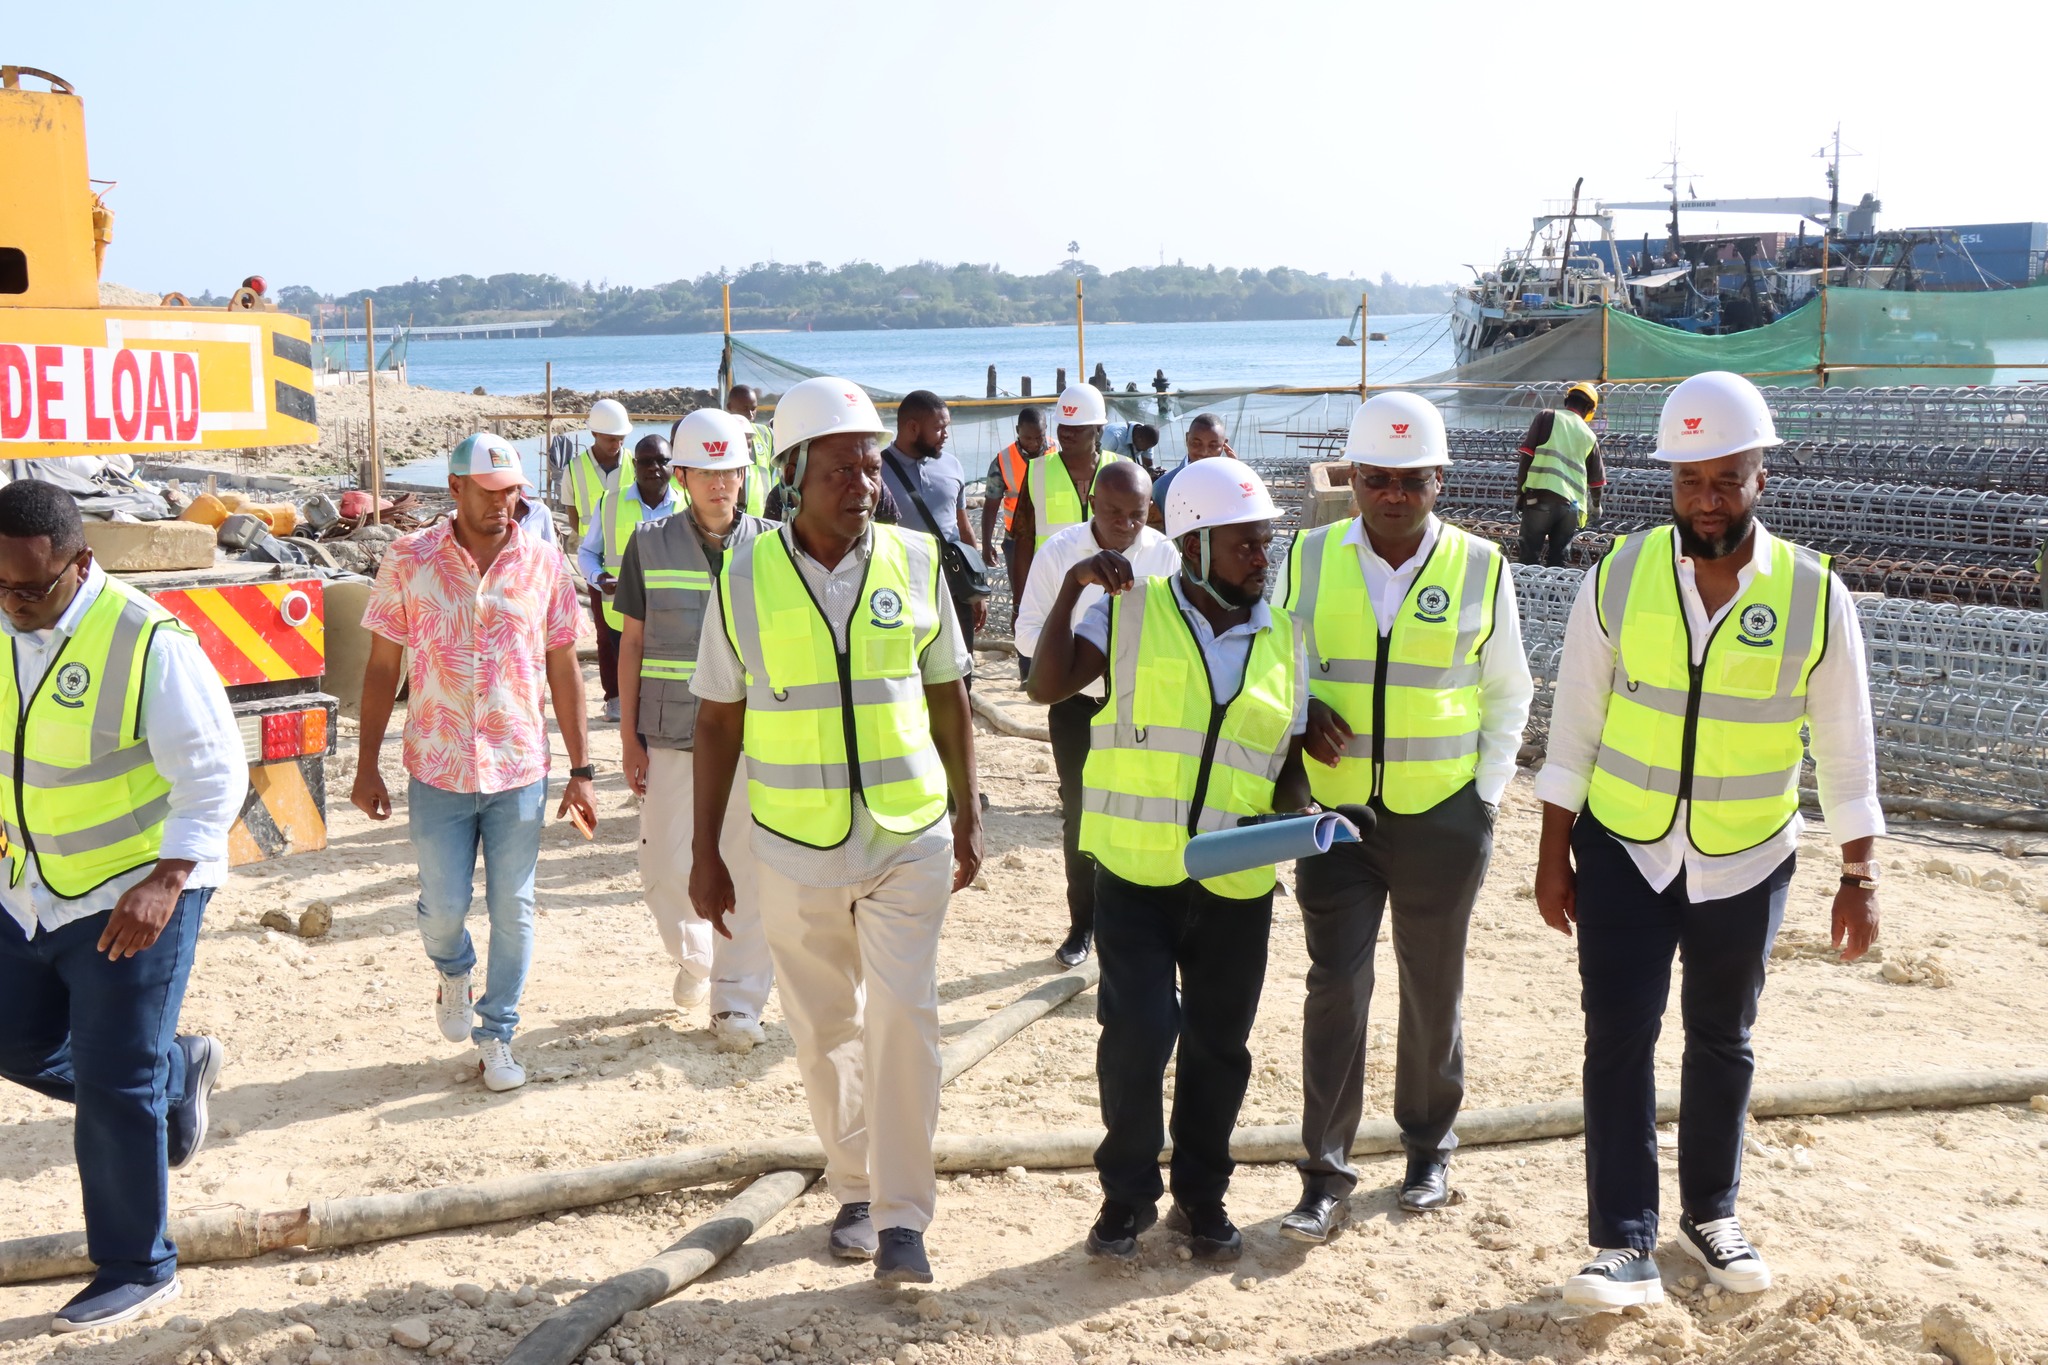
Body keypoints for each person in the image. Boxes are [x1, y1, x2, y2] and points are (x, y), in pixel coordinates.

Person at [1534, 372, 1882, 1309]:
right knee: (1617, 1036)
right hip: (1625, 847)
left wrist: (1859, 872)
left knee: (1724, 1039)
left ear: (1760, 475)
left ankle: (1711, 1214)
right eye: (1691, 480)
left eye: (1728, 478)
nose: (1709, 499)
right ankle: (1622, 1240)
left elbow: (1846, 746)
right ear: (1672, 481)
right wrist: (1553, 851)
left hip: (1749, 853)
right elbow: (1575, 725)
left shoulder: (1814, 594)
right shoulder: (1619, 575)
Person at [689, 376, 983, 1287]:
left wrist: (969, 812)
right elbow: (718, 720)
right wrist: (705, 852)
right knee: (824, 1031)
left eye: (869, 466)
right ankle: (854, 1185)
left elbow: (949, 693)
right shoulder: (744, 577)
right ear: (791, 475)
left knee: (905, 1020)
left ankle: (901, 1217)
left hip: (907, 837)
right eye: (841, 469)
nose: (863, 484)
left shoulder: (915, 561)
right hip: (792, 845)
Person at [1027, 457, 1309, 1266]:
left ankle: (1202, 1196)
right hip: (1135, 874)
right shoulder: (1127, 613)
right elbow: (1046, 685)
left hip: (1236, 881)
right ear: (1193, 545)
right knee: (1138, 1034)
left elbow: (1283, 763)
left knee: (1221, 1045)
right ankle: (1125, 1197)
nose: (1261, 556)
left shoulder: (1286, 637)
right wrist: (1073, 586)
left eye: (1265, 541)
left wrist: (1301, 814)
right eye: (1245, 543)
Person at [1276, 393, 1534, 1245]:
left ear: (1439, 480)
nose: (1394, 494)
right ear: (1353, 479)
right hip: (1337, 822)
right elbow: (1279, 666)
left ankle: (1428, 1149)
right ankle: (1325, 1173)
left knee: (1433, 987)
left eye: (1412, 480)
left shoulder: (1481, 566)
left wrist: (1484, 797)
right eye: (1378, 479)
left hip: (1442, 818)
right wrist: (1302, 713)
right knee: (1335, 988)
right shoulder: (1309, 557)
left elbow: (1509, 690)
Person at [0, 481, 243, 1333]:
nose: (15, 604)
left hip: (132, 895)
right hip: (31, 888)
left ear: (82, 563)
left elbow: (215, 776)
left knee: (111, 1079)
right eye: (0, 587)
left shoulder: (148, 641)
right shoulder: (4, 624)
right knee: (16, 1039)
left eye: (31, 588)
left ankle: (139, 1266)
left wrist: (165, 881)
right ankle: (170, 1073)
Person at [354, 433, 598, 1094]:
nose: (503, 504)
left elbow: (564, 667)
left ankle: (497, 1034)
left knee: (514, 908)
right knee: (443, 908)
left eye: (513, 492)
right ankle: (453, 970)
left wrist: (582, 771)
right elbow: (382, 668)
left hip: (519, 767)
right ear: (455, 488)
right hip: (437, 768)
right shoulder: (409, 559)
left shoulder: (544, 561)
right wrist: (366, 764)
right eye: (490, 492)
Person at [617, 411, 777, 1050]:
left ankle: (737, 1003)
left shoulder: (773, 545)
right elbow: (631, 644)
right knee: (661, 864)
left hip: (750, 734)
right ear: (681, 476)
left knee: (747, 865)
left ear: (744, 474)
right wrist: (628, 738)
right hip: (671, 731)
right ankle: (694, 954)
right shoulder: (648, 543)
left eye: (729, 471)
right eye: (706, 472)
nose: (719, 484)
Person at [1014, 462, 1177, 968]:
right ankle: (1082, 924)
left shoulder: (1165, 554)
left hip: (1144, 708)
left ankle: (1139, 928)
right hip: (1078, 705)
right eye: (1113, 513)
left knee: (1147, 813)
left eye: (1136, 514)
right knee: (1082, 817)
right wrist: (1088, 653)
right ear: (1093, 506)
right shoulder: (1059, 552)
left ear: (1151, 509)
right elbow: (1026, 634)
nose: (1125, 525)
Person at [579, 435, 682, 723]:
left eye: (661, 461)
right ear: (634, 465)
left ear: (673, 466)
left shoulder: (688, 505)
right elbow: (587, 553)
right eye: (646, 462)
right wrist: (598, 577)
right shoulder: (609, 502)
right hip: (623, 615)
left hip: (673, 615)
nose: (654, 468)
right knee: (632, 695)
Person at [878, 390, 987, 648]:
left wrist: (977, 589)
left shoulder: (952, 465)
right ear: (912, 428)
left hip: (954, 587)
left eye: (947, 426)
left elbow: (963, 528)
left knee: (962, 664)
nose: (946, 435)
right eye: (938, 428)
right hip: (903, 590)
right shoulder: (876, 471)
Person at [1009, 383, 1130, 600]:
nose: (1066, 433)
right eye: (1063, 425)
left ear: (1099, 430)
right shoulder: (1037, 471)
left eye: (1077, 428)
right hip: (1052, 594)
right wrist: (1020, 603)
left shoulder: (1124, 471)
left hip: (1110, 597)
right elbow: (1024, 543)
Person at [566, 400, 632, 715]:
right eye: (610, 438)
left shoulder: (635, 464)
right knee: (605, 634)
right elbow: (573, 514)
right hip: (596, 564)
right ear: (593, 433)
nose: (616, 444)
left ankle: (636, 695)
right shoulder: (575, 469)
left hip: (632, 562)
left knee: (637, 631)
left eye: (620, 438)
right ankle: (614, 697)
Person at [1516, 381, 1606, 567]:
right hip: (1570, 509)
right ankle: (1554, 586)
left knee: (1528, 559)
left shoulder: (1546, 417)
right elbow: (1597, 482)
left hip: (1539, 499)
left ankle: (1528, 586)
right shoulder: (1590, 436)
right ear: (1589, 409)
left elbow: (1527, 457)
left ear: (1567, 400)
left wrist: (1519, 493)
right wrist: (1596, 506)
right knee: (1558, 561)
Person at [980, 406, 1048, 599]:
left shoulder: (1060, 451)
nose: (1034, 443)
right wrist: (986, 544)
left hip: (1051, 535)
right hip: (1016, 540)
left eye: (1039, 437)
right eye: (1028, 438)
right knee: (1022, 598)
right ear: (1018, 431)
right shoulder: (1003, 461)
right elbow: (991, 506)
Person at [1147, 412, 1232, 532]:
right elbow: (1156, 536)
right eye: (1196, 443)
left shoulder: (1234, 483)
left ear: (1224, 444)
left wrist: (1237, 476)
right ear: (1187, 439)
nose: (1204, 452)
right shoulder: (1164, 486)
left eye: (1213, 445)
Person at [726, 385, 778, 517]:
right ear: (730, 407)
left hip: (762, 517)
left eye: (753, 409)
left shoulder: (767, 434)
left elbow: (776, 474)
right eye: (745, 409)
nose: (750, 414)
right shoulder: (719, 435)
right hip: (729, 517)